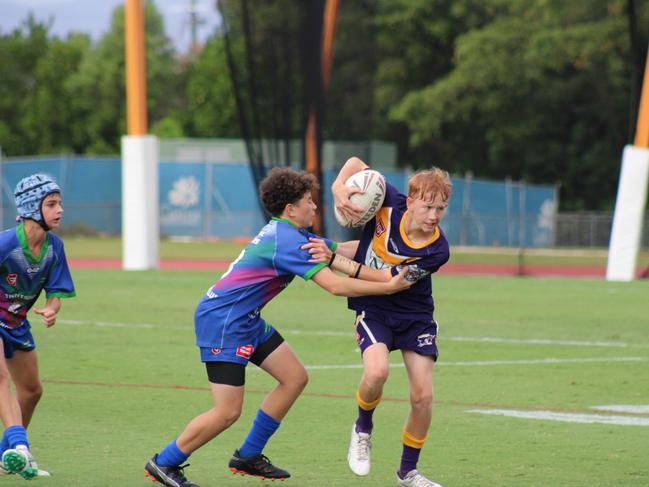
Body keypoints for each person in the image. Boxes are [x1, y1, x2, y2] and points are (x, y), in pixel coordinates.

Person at [144, 167, 414, 487]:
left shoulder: (292, 233)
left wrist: (393, 253)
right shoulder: (288, 241)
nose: (314, 207)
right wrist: (389, 286)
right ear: (291, 209)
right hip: (224, 322)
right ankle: (164, 462)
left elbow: (344, 252)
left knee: (294, 377)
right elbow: (336, 286)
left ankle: (249, 455)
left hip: (244, 319)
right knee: (228, 412)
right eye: (308, 201)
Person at [332, 156, 451, 487]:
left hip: (414, 315)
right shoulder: (388, 199)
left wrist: (334, 259)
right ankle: (362, 429)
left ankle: (407, 473)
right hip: (374, 306)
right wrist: (339, 188)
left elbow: (390, 280)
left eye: (441, 209)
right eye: (428, 207)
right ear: (409, 202)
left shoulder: (438, 250)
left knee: (423, 397)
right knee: (377, 372)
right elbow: (356, 162)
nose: (434, 216)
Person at [0, 174, 76, 479]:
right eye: (51, 204)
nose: (60, 210)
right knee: (1, 379)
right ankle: (21, 448)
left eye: (59, 203)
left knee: (32, 391)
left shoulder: (54, 247)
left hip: (16, 324)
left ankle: (6, 456)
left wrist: (51, 309)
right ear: (32, 207)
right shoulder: (6, 243)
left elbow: (57, 292)